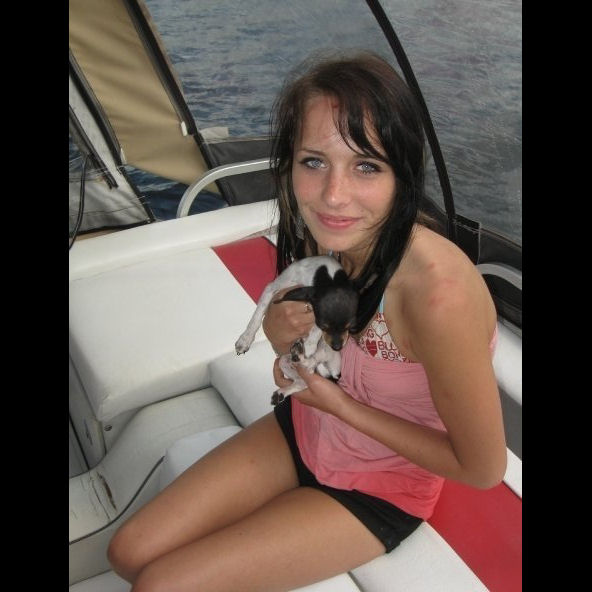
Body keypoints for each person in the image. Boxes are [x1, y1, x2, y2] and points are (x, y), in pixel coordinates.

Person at [107, 50, 507, 592]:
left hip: (376, 489)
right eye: (314, 162)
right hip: (304, 430)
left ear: (402, 174)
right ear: (289, 164)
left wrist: (339, 405)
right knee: (128, 552)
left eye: (366, 166)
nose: (333, 195)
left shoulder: (439, 299)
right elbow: (316, 346)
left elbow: (482, 469)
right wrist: (283, 346)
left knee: (160, 585)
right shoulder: (331, 240)